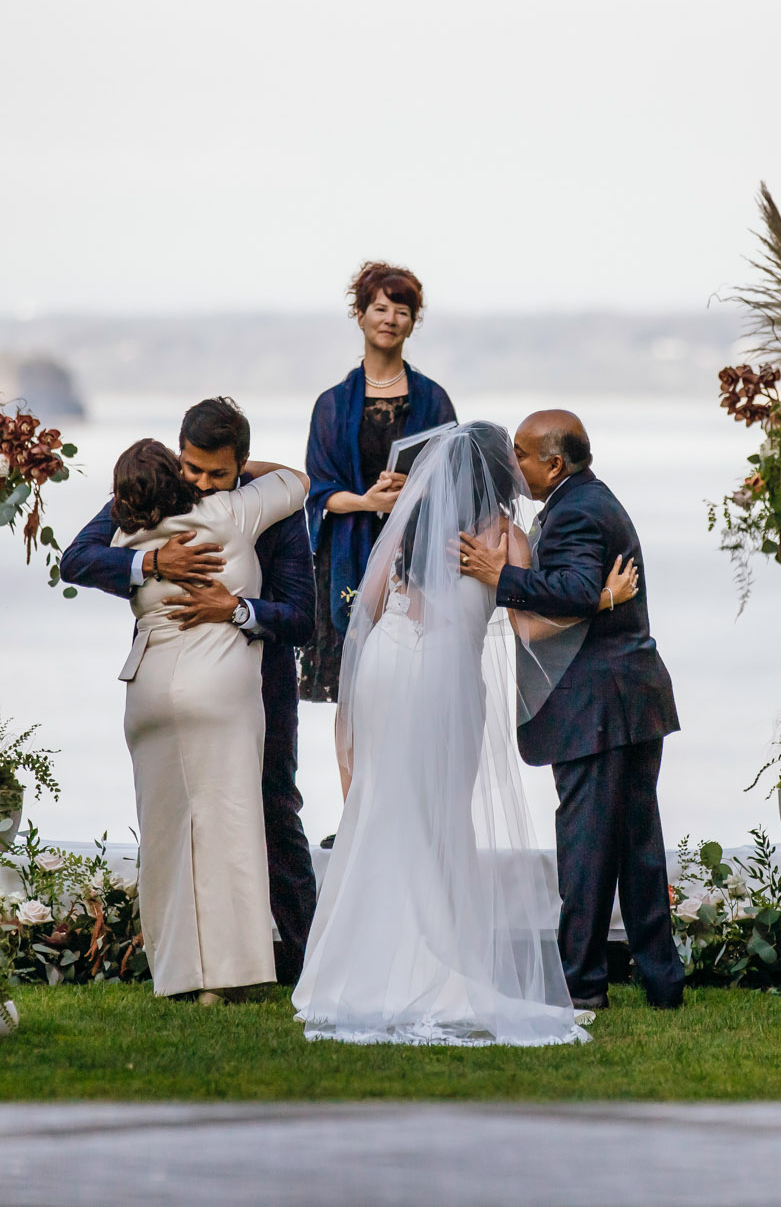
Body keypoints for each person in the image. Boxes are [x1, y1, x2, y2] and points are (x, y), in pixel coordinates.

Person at [292, 423, 635, 1046]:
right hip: (443, 678)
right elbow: (530, 629)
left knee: (380, 808)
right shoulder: (506, 537)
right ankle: (427, 961)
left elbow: (365, 608)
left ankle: (349, 967)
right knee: (437, 815)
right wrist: (605, 600)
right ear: (501, 475)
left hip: (385, 666)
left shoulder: (412, 525)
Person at [61, 399, 319, 985]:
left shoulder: (273, 516)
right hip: (173, 683)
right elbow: (77, 558)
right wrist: (151, 561)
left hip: (260, 681)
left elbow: (302, 618)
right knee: (179, 816)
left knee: (273, 808)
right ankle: (191, 962)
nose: (200, 485)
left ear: (242, 467)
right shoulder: (152, 502)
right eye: (191, 469)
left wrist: (238, 609)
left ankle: (303, 960)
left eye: (217, 475)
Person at [457, 411, 685, 1013]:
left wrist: (498, 575)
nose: (515, 464)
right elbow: (587, 592)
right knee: (637, 845)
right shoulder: (584, 499)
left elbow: (579, 588)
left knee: (586, 848)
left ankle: (582, 985)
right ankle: (662, 981)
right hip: (629, 699)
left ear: (554, 463)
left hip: (599, 705)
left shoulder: (578, 509)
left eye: (524, 455)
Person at [300, 262, 456, 732]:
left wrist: (416, 492)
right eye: (380, 308)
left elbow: (457, 480)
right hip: (350, 554)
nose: (390, 319)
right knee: (352, 696)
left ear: (413, 322)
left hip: (418, 558)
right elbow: (320, 494)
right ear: (361, 315)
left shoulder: (433, 400)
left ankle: (402, 801)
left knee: (414, 688)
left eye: (402, 310)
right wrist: (371, 502)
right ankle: (356, 806)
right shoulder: (331, 404)